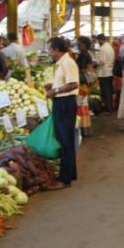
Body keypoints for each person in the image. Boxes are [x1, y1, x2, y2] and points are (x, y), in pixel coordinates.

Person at [45, 37, 79, 189]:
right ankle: (69, 174)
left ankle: (64, 179)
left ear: (57, 50)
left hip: (65, 103)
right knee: (64, 139)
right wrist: (53, 86)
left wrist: (56, 90)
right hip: (61, 102)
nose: (49, 52)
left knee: (65, 141)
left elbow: (74, 84)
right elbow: (65, 82)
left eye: (50, 49)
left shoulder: (68, 62)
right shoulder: (61, 63)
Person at [75, 36, 94, 137]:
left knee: (79, 105)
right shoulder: (87, 54)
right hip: (86, 84)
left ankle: (81, 129)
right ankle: (86, 129)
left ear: (84, 44)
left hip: (82, 83)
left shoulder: (84, 55)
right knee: (84, 106)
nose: (77, 45)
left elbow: (82, 70)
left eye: (79, 43)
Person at [96, 34, 116, 115]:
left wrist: (95, 62)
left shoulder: (103, 48)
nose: (98, 42)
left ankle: (108, 109)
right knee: (109, 91)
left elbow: (101, 61)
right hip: (109, 71)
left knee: (106, 92)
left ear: (101, 40)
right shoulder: (109, 47)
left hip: (104, 73)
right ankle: (110, 107)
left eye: (98, 40)